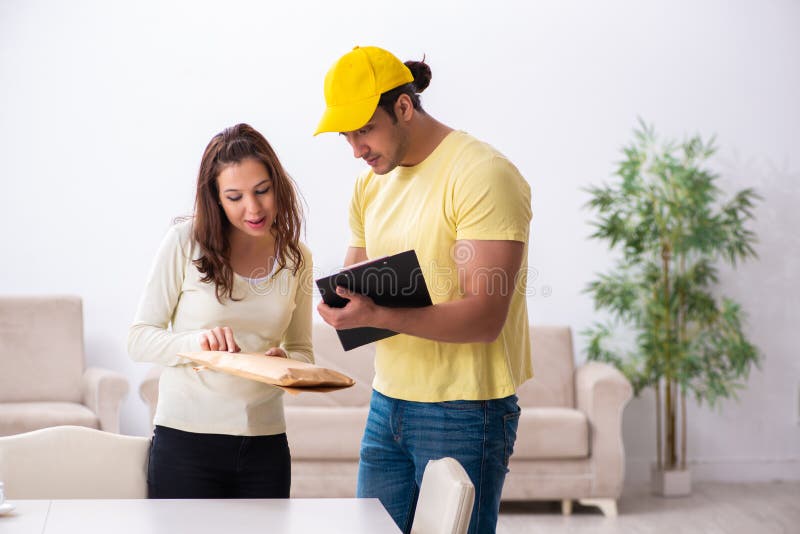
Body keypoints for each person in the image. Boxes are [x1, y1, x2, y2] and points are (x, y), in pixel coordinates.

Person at [314, 46, 532, 534]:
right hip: (387, 400)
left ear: (404, 108)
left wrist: (381, 315)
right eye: (347, 135)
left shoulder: (481, 173)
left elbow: (485, 317)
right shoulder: (370, 185)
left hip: (464, 408)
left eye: (365, 129)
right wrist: (343, 309)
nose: (356, 149)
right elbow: (356, 286)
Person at [128, 123, 312, 499]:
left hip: (265, 446)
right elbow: (139, 339)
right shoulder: (184, 242)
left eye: (262, 190)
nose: (254, 207)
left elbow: (303, 352)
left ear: (278, 184)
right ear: (215, 199)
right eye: (235, 197)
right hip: (185, 444)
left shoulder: (297, 258)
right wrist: (198, 343)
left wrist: (284, 364)